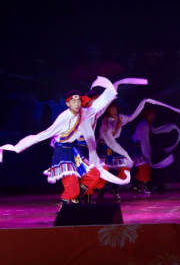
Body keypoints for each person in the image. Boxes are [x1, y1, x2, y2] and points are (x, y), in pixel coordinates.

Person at [0, 77, 132, 208]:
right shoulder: (64, 117)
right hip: (62, 151)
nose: (77, 104)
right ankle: (64, 207)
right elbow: (43, 134)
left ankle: (76, 199)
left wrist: (110, 91)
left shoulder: (83, 112)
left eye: (78, 101)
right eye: (73, 101)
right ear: (68, 104)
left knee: (94, 174)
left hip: (73, 150)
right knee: (72, 187)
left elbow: (98, 106)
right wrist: (17, 147)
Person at [97, 98, 180, 200]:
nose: (114, 111)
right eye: (111, 109)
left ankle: (115, 187)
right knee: (104, 169)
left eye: (115, 108)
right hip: (106, 148)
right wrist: (128, 154)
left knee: (126, 167)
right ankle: (100, 191)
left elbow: (131, 117)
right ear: (107, 111)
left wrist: (142, 103)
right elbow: (112, 143)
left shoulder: (120, 118)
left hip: (117, 147)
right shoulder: (105, 125)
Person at [128, 107, 180, 194]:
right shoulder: (144, 126)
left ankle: (135, 185)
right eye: (150, 115)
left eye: (153, 115)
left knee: (143, 168)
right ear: (146, 115)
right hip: (139, 149)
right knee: (145, 167)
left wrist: (171, 127)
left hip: (138, 148)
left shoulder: (148, 124)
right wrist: (147, 154)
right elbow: (144, 141)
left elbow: (155, 130)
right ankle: (143, 188)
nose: (152, 117)